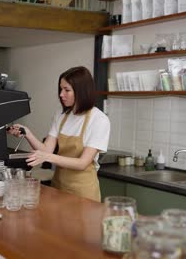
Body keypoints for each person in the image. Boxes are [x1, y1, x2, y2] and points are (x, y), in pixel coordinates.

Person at [8, 66, 110, 202]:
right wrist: (27, 133)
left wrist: (47, 157)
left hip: (84, 192)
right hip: (59, 187)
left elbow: (82, 163)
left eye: (67, 90)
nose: (61, 94)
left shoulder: (99, 119)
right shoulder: (61, 115)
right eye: (61, 89)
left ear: (81, 91)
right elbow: (45, 150)